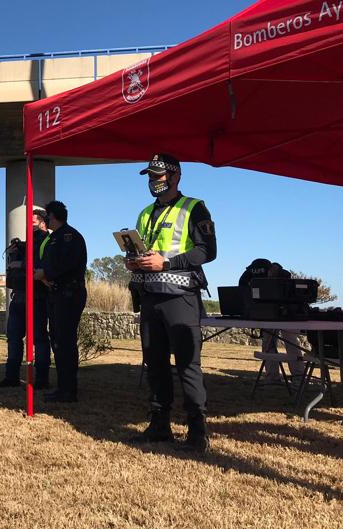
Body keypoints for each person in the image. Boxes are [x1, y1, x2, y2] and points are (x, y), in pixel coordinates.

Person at [127, 154, 216, 452]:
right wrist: (135, 262)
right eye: (150, 176)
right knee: (155, 364)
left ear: (175, 176)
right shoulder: (144, 214)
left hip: (181, 297)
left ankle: (197, 431)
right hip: (150, 297)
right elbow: (147, 251)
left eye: (158, 175)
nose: (153, 180)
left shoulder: (194, 207)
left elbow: (207, 252)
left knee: (188, 364)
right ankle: (159, 425)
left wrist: (166, 264)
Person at [34, 200, 87, 403]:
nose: (44, 220)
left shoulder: (68, 236)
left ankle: (68, 390)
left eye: (46, 216)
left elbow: (66, 265)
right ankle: (63, 387)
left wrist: (44, 273)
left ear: (53, 216)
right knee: (57, 341)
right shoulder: (55, 237)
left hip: (69, 294)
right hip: (56, 294)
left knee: (65, 342)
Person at [0, 208, 52, 389]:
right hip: (19, 296)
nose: (31, 225)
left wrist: (21, 263)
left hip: (38, 297)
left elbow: (45, 266)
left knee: (39, 338)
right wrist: (15, 252)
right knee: (13, 337)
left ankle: (42, 380)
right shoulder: (25, 244)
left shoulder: (48, 242)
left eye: (34, 222)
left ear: (44, 222)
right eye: (29, 222)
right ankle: (11, 376)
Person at [239, 259, 305, 382]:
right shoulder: (250, 273)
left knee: (282, 343)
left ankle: (282, 376)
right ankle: (292, 376)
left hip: (282, 315)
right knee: (285, 344)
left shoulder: (277, 273)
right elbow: (242, 289)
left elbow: (241, 288)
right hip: (270, 315)